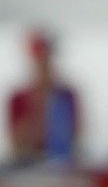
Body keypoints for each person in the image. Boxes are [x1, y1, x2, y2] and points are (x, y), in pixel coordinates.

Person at [5, 30, 81, 166]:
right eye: (38, 60)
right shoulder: (17, 98)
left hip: (62, 162)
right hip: (29, 164)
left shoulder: (66, 95)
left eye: (46, 59)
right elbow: (16, 142)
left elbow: (75, 135)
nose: (42, 64)